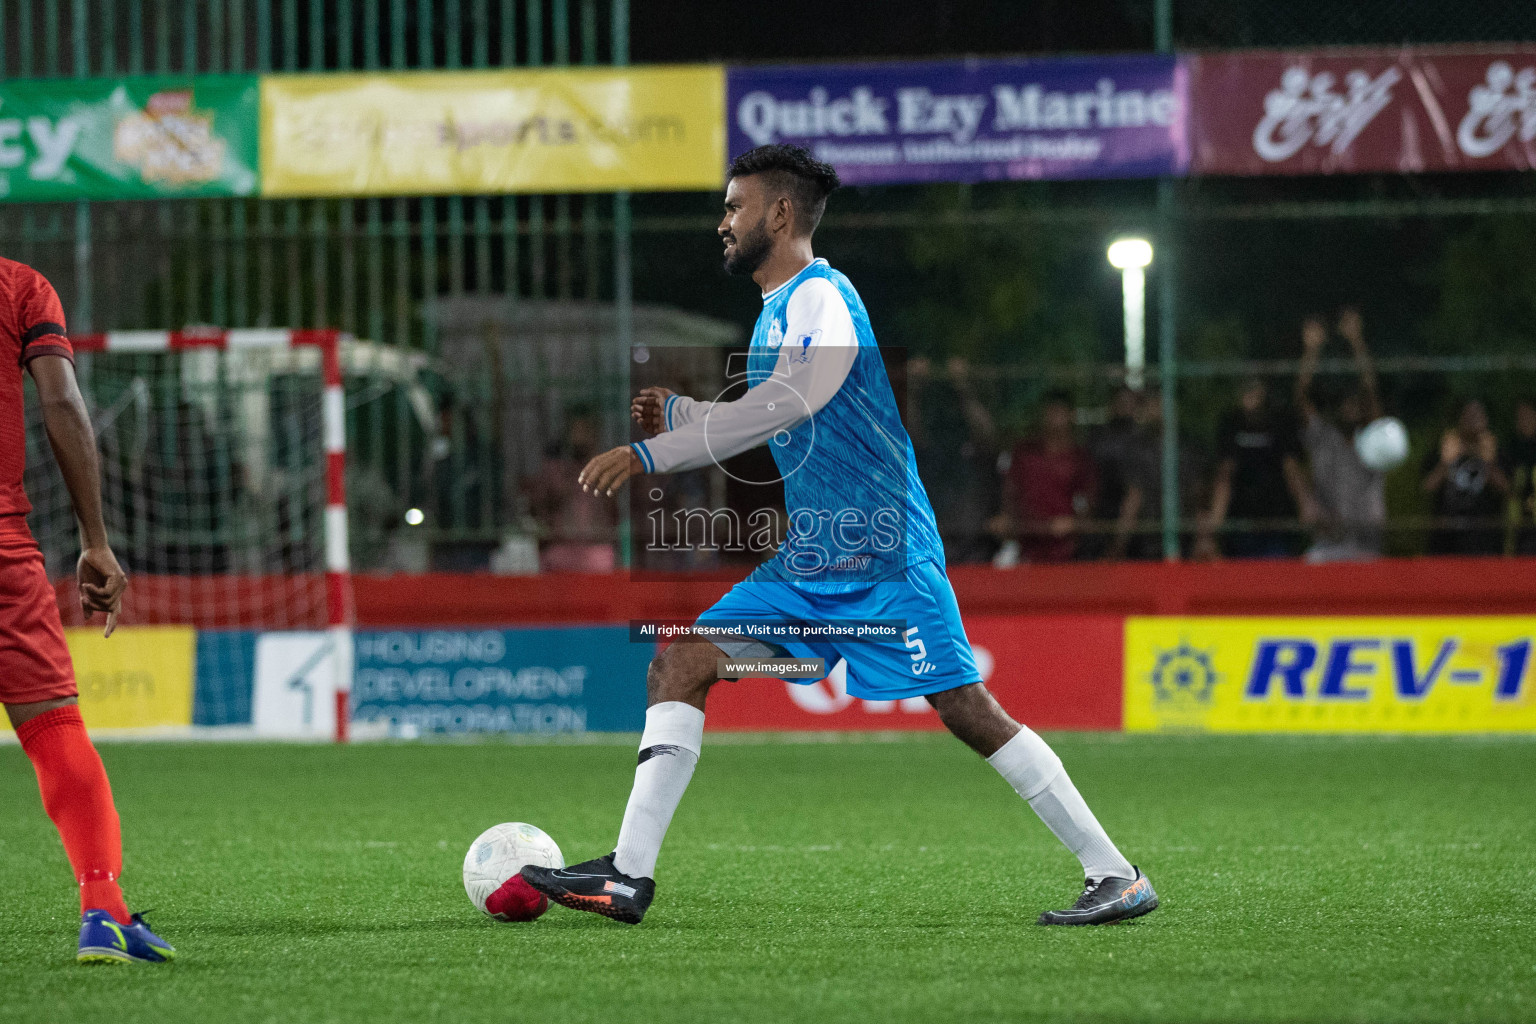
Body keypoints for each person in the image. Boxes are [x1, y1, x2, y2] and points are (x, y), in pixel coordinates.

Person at [520, 145, 1156, 927]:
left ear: (779, 214)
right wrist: (684, 415)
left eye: (734, 207)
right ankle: (626, 874)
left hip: (886, 558)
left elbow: (788, 403)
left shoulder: (823, 296)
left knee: (966, 707)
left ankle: (1115, 873)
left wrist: (656, 450)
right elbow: (771, 413)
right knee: (681, 662)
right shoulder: (778, 311)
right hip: (811, 565)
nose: (722, 223)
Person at [0, 257, 174, 963]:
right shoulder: (20, 285)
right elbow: (63, 402)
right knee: (52, 729)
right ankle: (103, 910)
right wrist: (95, 541)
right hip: (3, 546)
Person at [1294, 309, 1387, 562]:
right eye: (1347, 403)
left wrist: (1357, 341)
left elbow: (1370, 391)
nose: (1352, 407)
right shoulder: (1323, 438)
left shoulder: (1373, 441)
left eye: (1356, 404)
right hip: (1328, 543)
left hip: (1368, 545)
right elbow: (1301, 398)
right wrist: (1311, 351)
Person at [1194, 376, 1317, 560]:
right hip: (1239, 524)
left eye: (1255, 389)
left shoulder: (1280, 422)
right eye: (1246, 389)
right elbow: (1225, 474)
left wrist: (1306, 506)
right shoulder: (1231, 422)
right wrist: (1214, 527)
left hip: (1276, 522)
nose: (1251, 395)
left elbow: (1291, 468)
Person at [998, 390, 1097, 563]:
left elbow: (1090, 501)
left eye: (1060, 413)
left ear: (1071, 416)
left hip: (1068, 550)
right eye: (1050, 412)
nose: (1055, 419)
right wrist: (1008, 520)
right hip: (1027, 546)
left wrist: (1075, 523)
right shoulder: (1025, 454)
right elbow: (1010, 492)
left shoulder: (1080, 459)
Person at [1422, 398, 1509, 556]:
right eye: (1468, 415)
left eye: (1477, 415)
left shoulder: (1495, 450)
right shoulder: (1444, 448)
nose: (1472, 421)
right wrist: (1445, 462)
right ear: (1459, 419)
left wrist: (1488, 461)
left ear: (1486, 420)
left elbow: (1506, 489)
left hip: (1485, 539)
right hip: (1446, 538)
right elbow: (1427, 487)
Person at [1510, 399, 1536, 555]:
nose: (1523, 421)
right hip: (1521, 528)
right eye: (1519, 418)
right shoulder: (1514, 449)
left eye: (1527, 416)